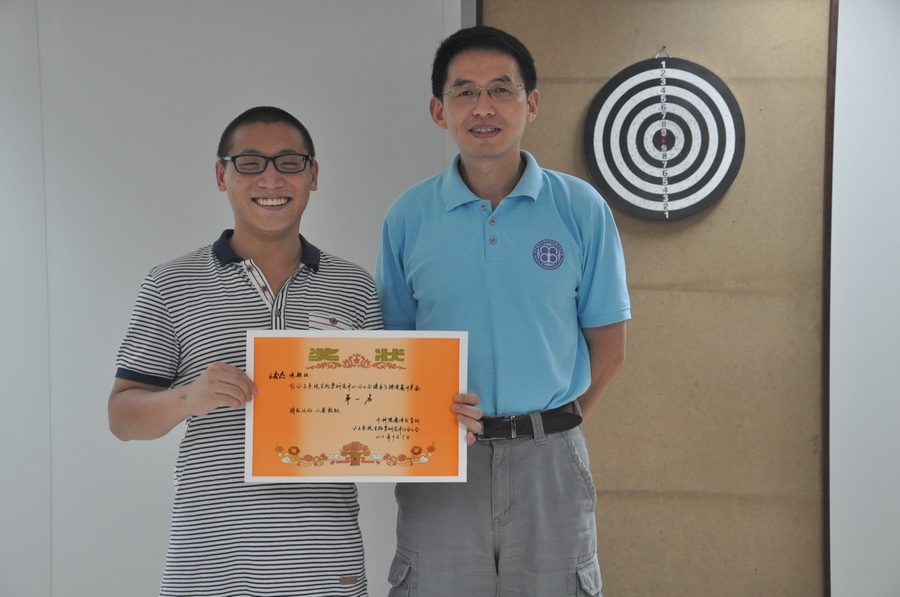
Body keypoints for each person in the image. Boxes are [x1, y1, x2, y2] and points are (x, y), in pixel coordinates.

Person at [108, 105, 483, 596]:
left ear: (313, 175)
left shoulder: (353, 287)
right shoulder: (172, 284)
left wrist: (443, 423)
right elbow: (122, 418)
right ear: (221, 175)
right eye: (249, 163)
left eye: (289, 163)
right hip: (211, 565)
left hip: (325, 564)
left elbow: (383, 415)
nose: (271, 179)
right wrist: (188, 398)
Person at [375, 26, 631, 596]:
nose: (483, 107)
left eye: (501, 89)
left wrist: (553, 428)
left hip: (552, 462)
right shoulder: (407, 216)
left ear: (531, 104)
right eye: (464, 92)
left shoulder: (581, 208)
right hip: (443, 463)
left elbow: (609, 349)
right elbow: (394, 354)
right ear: (439, 110)